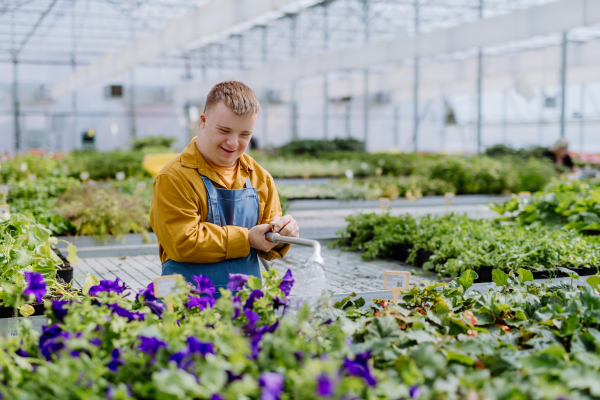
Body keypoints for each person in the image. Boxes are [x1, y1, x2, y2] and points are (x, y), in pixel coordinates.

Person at [150, 81, 299, 296]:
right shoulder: (174, 177)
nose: (233, 142)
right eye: (224, 130)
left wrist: (282, 235)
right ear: (203, 121)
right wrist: (247, 238)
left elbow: (268, 242)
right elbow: (182, 242)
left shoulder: (260, 177)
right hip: (188, 302)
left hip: (246, 303)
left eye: (245, 134)